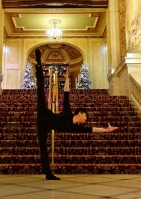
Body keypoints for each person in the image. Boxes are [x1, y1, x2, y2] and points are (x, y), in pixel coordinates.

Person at [35, 49, 118, 180]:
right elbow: (66, 94)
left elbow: (91, 130)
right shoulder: (68, 112)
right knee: (40, 92)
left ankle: (48, 174)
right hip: (45, 114)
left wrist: (106, 130)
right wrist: (67, 78)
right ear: (80, 113)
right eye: (86, 116)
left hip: (43, 125)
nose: (86, 119)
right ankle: (39, 64)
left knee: (43, 147)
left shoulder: (75, 127)